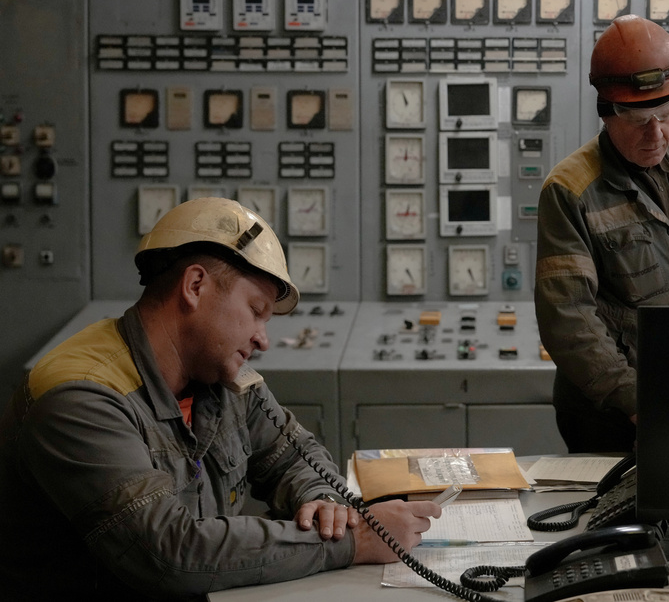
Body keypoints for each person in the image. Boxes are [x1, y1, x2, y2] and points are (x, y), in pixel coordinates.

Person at [0, 198, 441, 600]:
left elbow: (295, 456)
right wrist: (355, 540)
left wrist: (325, 501)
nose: (263, 339)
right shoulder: (81, 396)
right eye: (255, 311)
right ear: (195, 286)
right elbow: (168, 552)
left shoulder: (221, 376)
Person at [535, 15, 669, 453]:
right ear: (608, 111)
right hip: (607, 412)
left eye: (666, 114)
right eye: (639, 119)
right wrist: (637, 403)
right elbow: (569, 319)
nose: (657, 134)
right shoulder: (570, 190)